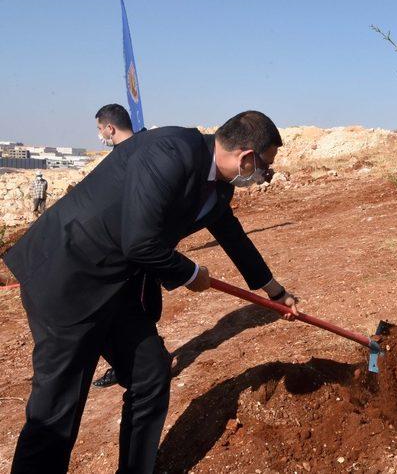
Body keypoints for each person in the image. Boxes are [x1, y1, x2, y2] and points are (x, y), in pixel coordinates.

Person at [4, 111, 298, 473]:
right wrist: (191, 273)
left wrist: (275, 292)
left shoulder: (218, 184)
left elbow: (231, 235)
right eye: (264, 168)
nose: (263, 177)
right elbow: (139, 242)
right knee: (58, 407)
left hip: (115, 283)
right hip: (69, 275)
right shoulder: (171, 152)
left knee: (150, 376)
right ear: (246, 157)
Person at [92, 104, 139, 388]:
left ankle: (141, 363)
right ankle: (127, 364)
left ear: (110, 128)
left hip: (129, 249)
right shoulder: (123, 154)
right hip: (120, 246)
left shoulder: (135, 155)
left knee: (133, 310)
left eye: (99, 129)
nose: (99, 134)